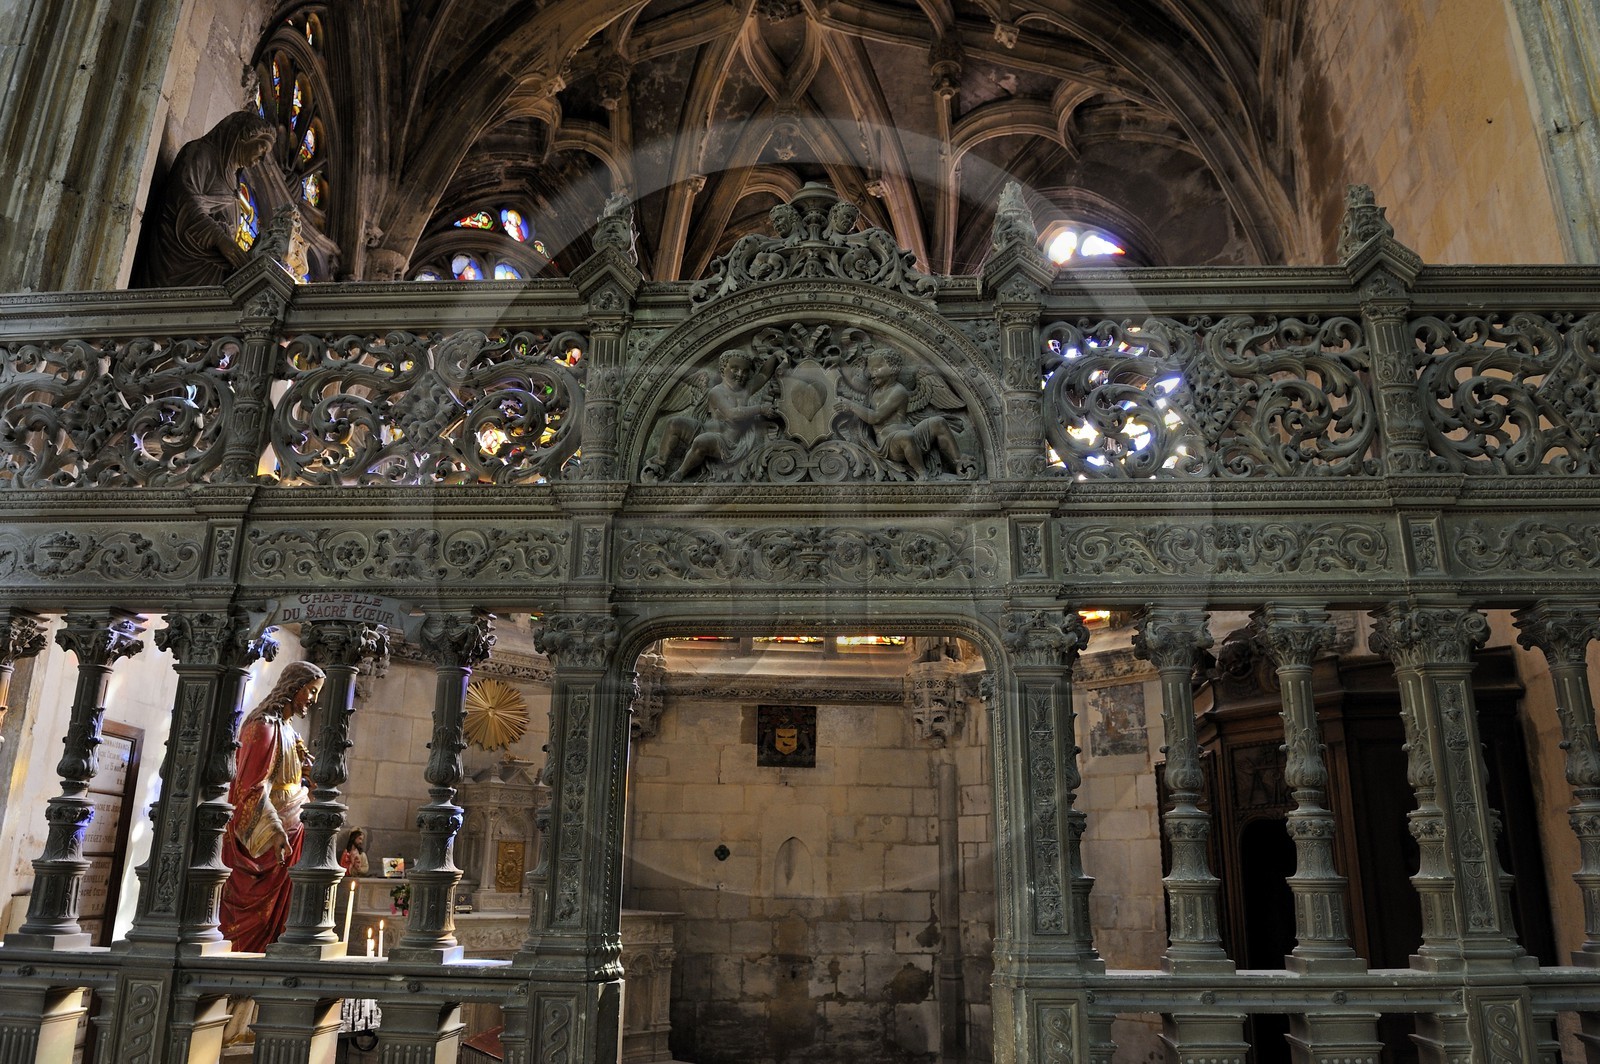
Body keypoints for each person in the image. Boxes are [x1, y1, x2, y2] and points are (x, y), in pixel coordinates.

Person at [219, 659, 324, 953]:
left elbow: (293, 778)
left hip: (293, 831)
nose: (313, 700)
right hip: (267, 842)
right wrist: (275, 831)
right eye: (311, 691)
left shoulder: (290, 732)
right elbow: (250, 789)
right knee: (253, 929)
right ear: (293, 687)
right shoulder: (263, 727)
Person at [139, 110, 277, 287]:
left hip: (210, 273)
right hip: (178, 264)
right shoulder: (201, 153)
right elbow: (181, 199)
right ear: (243, 137)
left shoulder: (234, 184)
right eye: (262, 147)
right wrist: (218, 238)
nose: (264, 158)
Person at [646, 348, 779, 481]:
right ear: (722, 369)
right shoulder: (716, 392)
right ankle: (661, 460)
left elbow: (763, 375)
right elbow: (732, 414)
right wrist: (761, 408)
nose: (740, 374)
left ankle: (681, 472)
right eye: (735, 369)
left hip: (727, 442)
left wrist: (775, 356)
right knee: (673, 423)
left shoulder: (746, 389)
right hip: (704, 429)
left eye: (745, 371)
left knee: (701, 442)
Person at [835, 347, 964, 478]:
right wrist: (839, 361)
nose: (870, 373)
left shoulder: (898, 391)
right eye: (870, 369)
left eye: (876, 368)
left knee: (939, 422)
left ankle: (958, 463)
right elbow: (853, 379)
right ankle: (922, 473)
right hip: (888, 443)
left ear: (893, 368)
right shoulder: (873, 389)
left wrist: (851, 406)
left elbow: (876, 417)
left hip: (909, 436)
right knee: (906, 437)